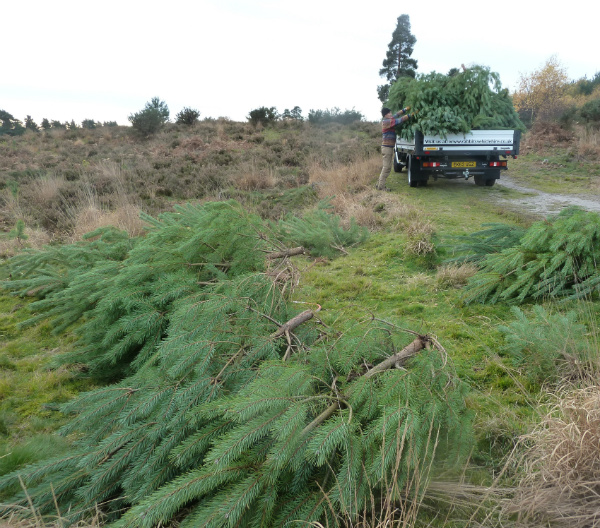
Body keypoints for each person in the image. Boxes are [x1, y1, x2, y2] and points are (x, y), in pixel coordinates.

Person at [376, 106, 411, 190]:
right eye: (389, 113)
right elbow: (399, 120)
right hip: (387, 148)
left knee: (386, 167)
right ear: (385, 115)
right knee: (387, 167)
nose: (391, 114)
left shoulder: (388, 119)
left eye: (391, 113)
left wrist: (404, 110)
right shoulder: (387, 122)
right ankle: (381, 186)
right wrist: (410, 115)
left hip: (387, 148)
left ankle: (379, 184)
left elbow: (396, 115)